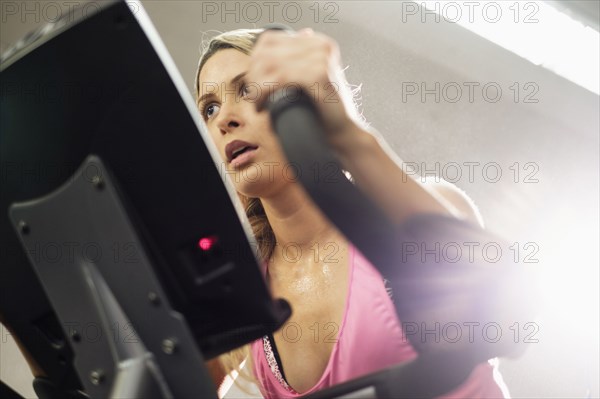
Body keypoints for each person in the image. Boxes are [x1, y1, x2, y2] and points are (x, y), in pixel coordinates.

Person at [195, 28, 522, 398]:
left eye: (247, 89)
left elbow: (508, 313)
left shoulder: (415, 218)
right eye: (210, 108)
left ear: (293, 99)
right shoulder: (248, 304)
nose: (224, 119)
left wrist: (346, 133)